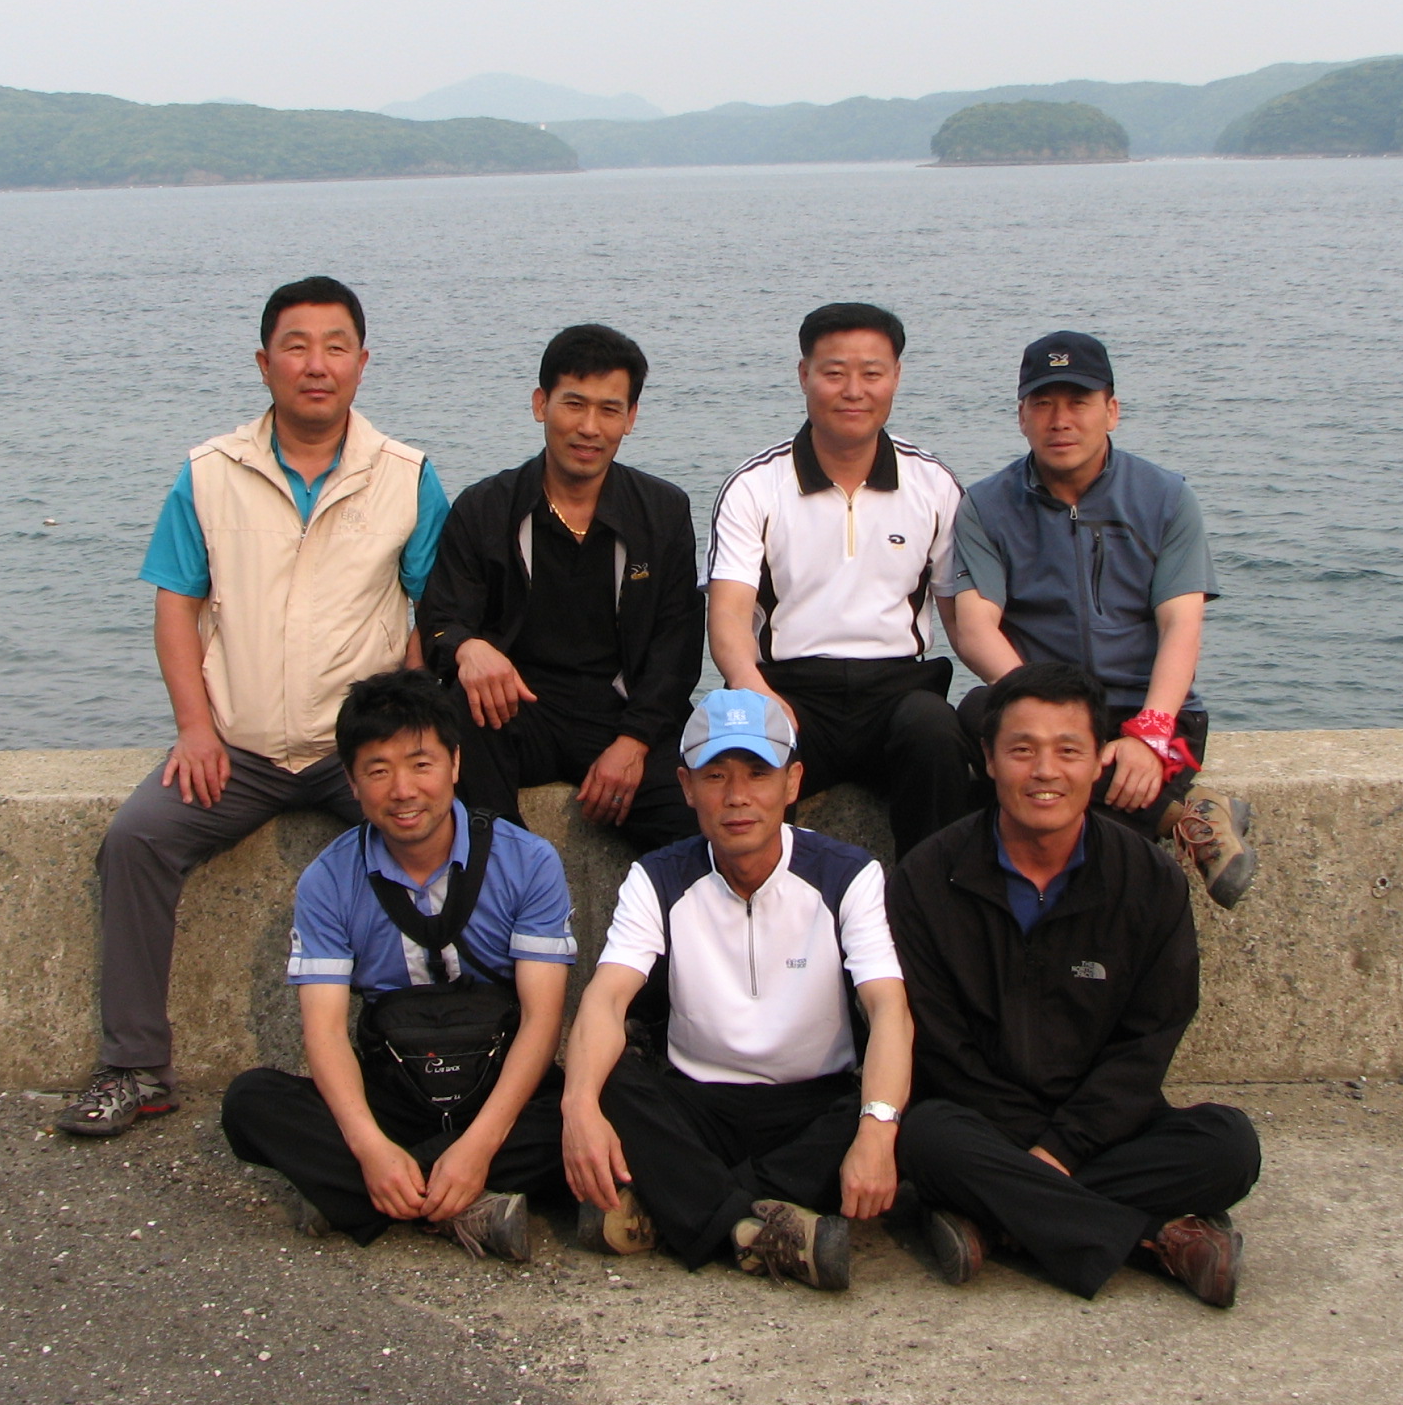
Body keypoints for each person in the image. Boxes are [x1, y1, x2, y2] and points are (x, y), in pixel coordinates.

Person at [56, 276, 450, 1137]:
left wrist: (411, 741)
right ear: (264, 363)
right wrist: (195, 729)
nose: (317, 365)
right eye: (296, 347)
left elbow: (433, 611)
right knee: (136, 840)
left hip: (359, 752)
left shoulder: (406, 476)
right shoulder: (210, 473)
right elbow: (175, 606)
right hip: (238, 748)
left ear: (362, 363)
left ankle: (446, 1053)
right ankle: (134, 1065)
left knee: (452, 844)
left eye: (336, 347)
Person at [888, 661, 1262, 1305]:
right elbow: (940, 1047)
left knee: (1229, 1147)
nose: (1045, 771)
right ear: (988, 759)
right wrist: (1036, 1147)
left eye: (1068, 751)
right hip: (979, 1120)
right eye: (1022, 751)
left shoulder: (1147, 880)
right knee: (926, 1140)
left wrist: (1060, 1150)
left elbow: (1149, 1041)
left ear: (1097, 764)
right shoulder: (927, 879)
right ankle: (1156, 1238)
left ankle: (996, 1215)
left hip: (1102, 1123)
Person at [560, 689, 913, 1292]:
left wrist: (878, 1132)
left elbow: (888, 1010)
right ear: (686, 786)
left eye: (758, 773)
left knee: (898, 1106)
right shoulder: (658, 877)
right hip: (697, 1104)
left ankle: (678, 1209)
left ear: (792, 781)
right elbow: (607, 997)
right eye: (716, 775)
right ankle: (759, 1230)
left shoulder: (848, 874)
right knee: (604, 1082)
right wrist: (578, 1108)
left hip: (811, 1106)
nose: (737, 796)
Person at [220, 669, 574, 1263]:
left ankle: (361, 1197)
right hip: (396, 1095)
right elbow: (324, 1031)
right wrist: (369, 1148)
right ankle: (459, 1203)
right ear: (352, 782)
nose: (403, 790)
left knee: (602, 1105)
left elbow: (542, 1021)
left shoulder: (528, 861)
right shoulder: (328, 880)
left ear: (455, 764)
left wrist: (479, 1146)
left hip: (497, 1089)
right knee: (250, 1102)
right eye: (378, 771)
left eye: (421, 764)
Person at [940, 330, 1256, 906]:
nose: (1060, 421)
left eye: (1078, 402)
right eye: (1043, 404)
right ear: (1021, 417)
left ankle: (1169, 813)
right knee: (979, 710)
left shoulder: (1166, 498)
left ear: (1111, 411)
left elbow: (1181, 624)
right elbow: (977, 626)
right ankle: (1187, 816)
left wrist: (1151, 732)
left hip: (1147, 707)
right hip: (1046, 705)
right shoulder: (986, 506)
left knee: (1091, 848)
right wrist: (1048, 710)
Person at [705, 302, 975, 858]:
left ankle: (930, 899)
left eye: (872, 373)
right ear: (804, 375)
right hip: (789, 687)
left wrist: (1028, 696)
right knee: (743, 752)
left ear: (896, 376)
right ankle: (755, 904)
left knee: (938, 735)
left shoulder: (934, 484)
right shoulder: (755, 486)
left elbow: (963, 622)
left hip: (899, 691)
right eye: (834, 373)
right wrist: (756, 692)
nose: (854, 390)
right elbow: (729, 615)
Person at [418, 323, 701, 853]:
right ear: (540, 404)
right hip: (518, 709)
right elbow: (441, 618)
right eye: (573, 404)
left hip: (619, 713)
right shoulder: (486, 507)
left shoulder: (662, 511)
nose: (589, 428)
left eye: (609, 410)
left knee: (701, 822)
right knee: (459, 714)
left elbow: (677, 647)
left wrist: (634, 742)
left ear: (630, 418)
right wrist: (467, 647)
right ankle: (503, 870)